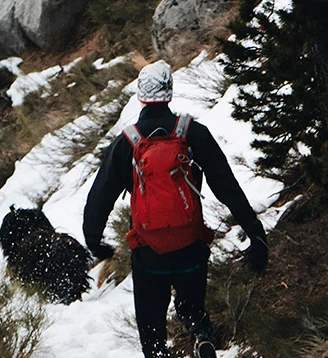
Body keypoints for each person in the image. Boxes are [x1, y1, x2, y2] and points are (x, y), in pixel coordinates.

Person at [83, 61, 269, 358]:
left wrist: (94, 240)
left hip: (148, 252)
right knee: (192, 306)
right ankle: (201, 335)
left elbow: (99, 199)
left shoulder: (126, 143)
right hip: (190, 244)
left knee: (152, 329)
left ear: (141, 96)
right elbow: (227, 187)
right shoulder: (193, 133)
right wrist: (255, 233)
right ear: (169, 93)